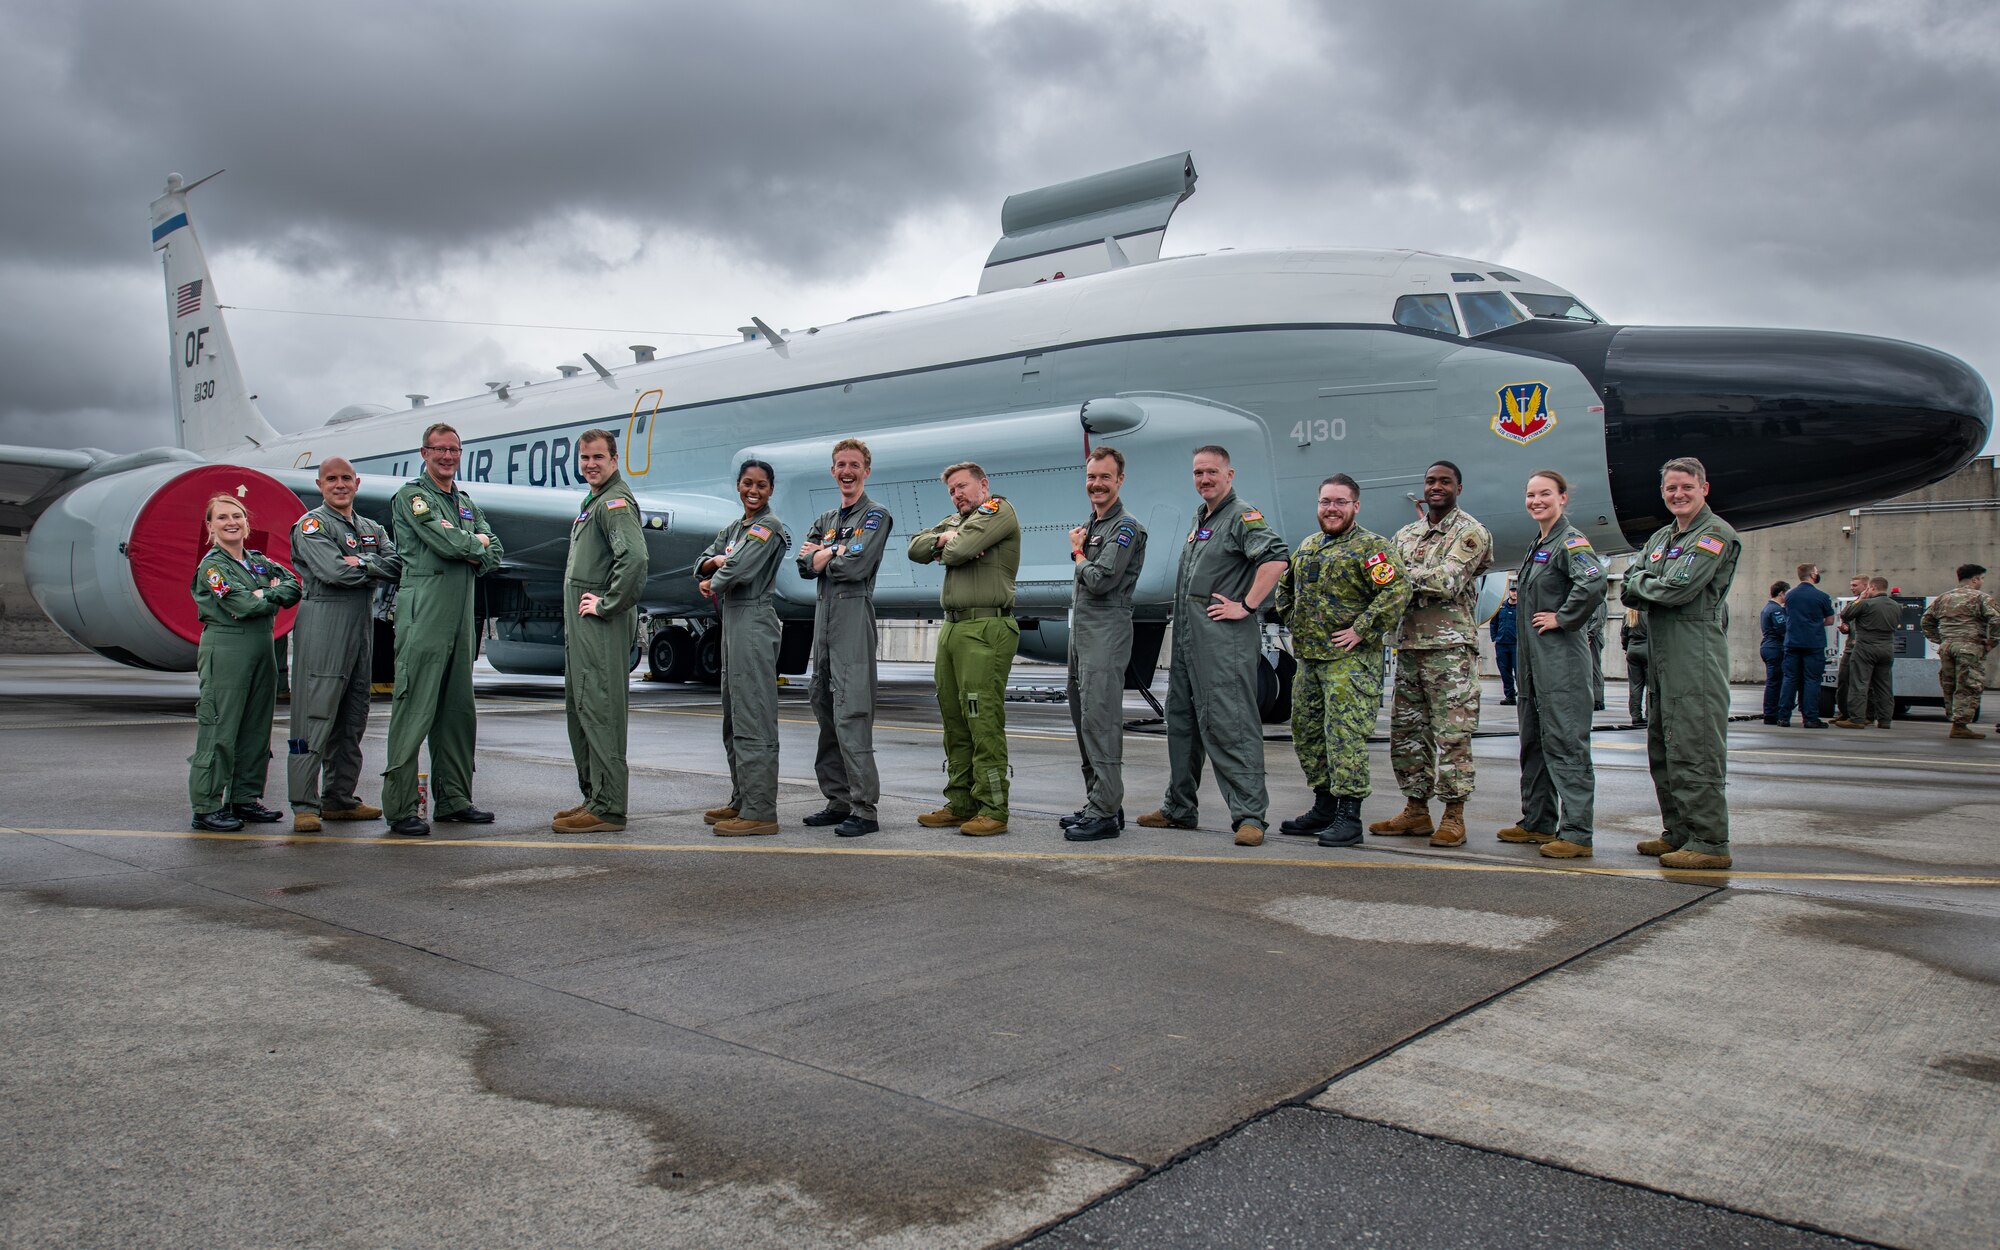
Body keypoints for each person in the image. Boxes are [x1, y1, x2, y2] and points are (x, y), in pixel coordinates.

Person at [1137, 445, 1290, 847]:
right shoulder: (1203, 518)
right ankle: (1179, 808)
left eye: (1211, 472)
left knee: (1231, 725)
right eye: (1198, 473)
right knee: (1182, 725)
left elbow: (1275, 558)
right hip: (1191, 642)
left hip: (1223, 645)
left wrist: (1248, 605)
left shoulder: (1241, 515)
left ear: (1230, 474)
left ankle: (1250, 816)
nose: (1204, 479)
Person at [382, 423, 504, 837]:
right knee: (415, 708)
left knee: (457, 712)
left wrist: (475, 545)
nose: (448, 456)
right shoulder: (412, 497)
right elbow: (446, 544)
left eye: (454, 450)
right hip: (425, 613)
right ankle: (400, 808)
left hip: (460, 616)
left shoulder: (464, 502)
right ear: (424, 452)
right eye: (440, 450)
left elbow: (496, 550)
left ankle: (453, 800)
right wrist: (475, 545)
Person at [1275, 474, 1410, 847]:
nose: (1331, 509)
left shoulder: (1371, 547)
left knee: (1343, 737)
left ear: (1355, 506)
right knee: (1308, 734)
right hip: (1310, 661)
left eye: (1339, 502)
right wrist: (1293, 620)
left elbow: (1398, 589)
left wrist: (1362, 629)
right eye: (1325, 502)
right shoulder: (1309, 546)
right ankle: (1323, 806)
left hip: (1348, 665)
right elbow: (1286, 589)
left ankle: (1349, 816)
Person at [1620, 456, 1741, 870]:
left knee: (1695, 746)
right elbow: (1631, 590)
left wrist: (1643, 583)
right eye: (1670, 488)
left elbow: (1678, 589)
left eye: (1686, 487)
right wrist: (1646, 584)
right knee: (1663, 747)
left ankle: (1709, 840)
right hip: (1662, 651)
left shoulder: (1714, 534)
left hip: (1695, 650)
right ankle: (1678, 831)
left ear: (1704, 488)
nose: (1678, 494)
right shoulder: (1660, 539)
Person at [1369, 461, 1493, 848]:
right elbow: (1379, 579)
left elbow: (1448, 580)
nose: (1436, 487)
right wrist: (1400, 576)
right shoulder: (1406, 534)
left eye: (1444, 482)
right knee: (1407, 734)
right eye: (1430, 481)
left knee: (1452, 735)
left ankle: (1454, 814)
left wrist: (1401, 575)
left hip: (1449, 652)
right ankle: (1416, 810)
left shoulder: (1470, 532)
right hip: (1408, 648)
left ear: (1459, 487)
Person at [1495, 471, 1607, 858]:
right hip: (1532, 665)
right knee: (1534, 744)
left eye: (1545, 494)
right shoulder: (1539, 544)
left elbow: (1593, 582)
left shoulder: (1570, 540)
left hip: (1561, 664)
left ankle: (1576, 833)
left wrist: (1564, 617)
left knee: (1565, 744)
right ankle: (1538, 821)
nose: (1536, 500)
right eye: (1530, 494)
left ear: (1562, 498)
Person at [286, 457, 400, 833]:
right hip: (324, 618)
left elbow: (397, 564)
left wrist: (361, 562)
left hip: (360, 622)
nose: (339, 484)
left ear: (357, 482)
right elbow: (333, 571)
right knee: (315, 712)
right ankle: (304, 802)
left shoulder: (370, 527)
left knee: (353, 714)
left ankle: (339, 797)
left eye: (345, 478)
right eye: (331, 479)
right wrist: (371, 566)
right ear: (319, 485)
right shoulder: (312, 524)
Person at [907, 462, 1021, 836]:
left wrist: (950, 544)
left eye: (963, 487)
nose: (957, 495)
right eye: (952, 490)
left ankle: (993, 806)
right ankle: (961, 801)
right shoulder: (956, 520)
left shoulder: (997, 510)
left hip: (985, 627)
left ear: (984, 485)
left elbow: (958, 553)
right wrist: (944, 540)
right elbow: (915, 548)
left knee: (980, 716)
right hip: (953, 627)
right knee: (954, 718)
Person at [796, 439, 894, 838]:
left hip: (853, 617)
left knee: (852, 714)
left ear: (866, 470)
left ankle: (864, 808)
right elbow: (804, 564)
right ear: (833, 471)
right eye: (840, 465)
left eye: (854, 464)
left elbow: (855, 565)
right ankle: (837, 800)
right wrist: (830, 550)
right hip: (824, 620)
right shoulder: (826, 518)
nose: (847, 471)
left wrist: (826, 553)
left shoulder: (876, 516)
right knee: (824, 709)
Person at [553, 429, 649, 834]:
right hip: (584, 629)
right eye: (584, 458)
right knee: (581, 710)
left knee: (600, 711)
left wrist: (607, 603)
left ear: (614, 459)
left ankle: (609, 807)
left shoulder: (614, 502)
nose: (590, 464)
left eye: (598, 457)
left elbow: (636, 558)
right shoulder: (593, 501)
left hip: (600, 627)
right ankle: (594, 797)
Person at [188, 494, 302, 831]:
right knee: (220, 726)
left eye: (236, 516)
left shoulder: (257, 561)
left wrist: (260, 594)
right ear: (210, 526)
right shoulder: (212, 567)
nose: (231, 522)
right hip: (227, 646)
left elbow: (294, 586)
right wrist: (268, 594)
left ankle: (244, 798)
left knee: (255, 727)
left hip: (262, 646)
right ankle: (206, 806)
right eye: (221, 517)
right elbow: (242, 604)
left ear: (246, 522)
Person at [698, 460, 791, 836]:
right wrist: (713, 567)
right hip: (733, 622)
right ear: (738, 485)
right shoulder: (735, 528)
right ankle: (741, 798)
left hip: (753, 620)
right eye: (748, 483)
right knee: (733, 716)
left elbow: (740, 570)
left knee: (753, 714)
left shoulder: (768, 527)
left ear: (771, 490)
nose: (754, 491)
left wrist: (714, 577)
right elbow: (703, 562)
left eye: (762, 485)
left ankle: (760, 809)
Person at [1060, 446, 1147, 842]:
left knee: (1100, 720)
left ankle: (1105, 813)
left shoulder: (1125, 527)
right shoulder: (1093, 524)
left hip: (1106, 632)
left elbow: (1099, 579)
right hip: (1083, 634)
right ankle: (1101, 799)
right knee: (1083, 719)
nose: (1096, 484)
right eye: (1092, 477)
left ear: (1120, 480)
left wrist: (1077, 552)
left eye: (1105, 477)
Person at [1920, 563, 1999, 738]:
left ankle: (1955, 721)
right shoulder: (1981, 598)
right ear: (1975, 579)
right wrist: (1991, 642)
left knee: (1950, 683)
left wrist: (1941, 639)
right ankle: (1960, 725)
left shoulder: (1943, 598)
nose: (1981, 582)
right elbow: (1996, 620)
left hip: (1947, 647)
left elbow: (1926, 621)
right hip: (1970, 647)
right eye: (1981, 579)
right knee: (1969, 684)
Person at [1833, 576, 1901, 731]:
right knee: (1884, 685)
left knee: (1859, 683)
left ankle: (1857, 719)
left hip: (1865, 647)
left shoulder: (1866, 604)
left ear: (1872, 588)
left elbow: (1845, 614)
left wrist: (1860, 598)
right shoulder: (1896, 605)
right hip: (1887, 648)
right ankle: (1885, 720)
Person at [1776, 563, 1835, 728]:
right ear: (1812, 575)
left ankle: (1783, 717)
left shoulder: (1789, 596)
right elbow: (1830, 620)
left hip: (1792, 642)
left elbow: (1787, 615)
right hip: (1813, 643)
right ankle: (1810, 718)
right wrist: (1815, 624)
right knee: (1812, 680)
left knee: (1789, 679)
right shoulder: (1822, 597)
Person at [1832, 574, 1869, 724]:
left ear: (1865, 586)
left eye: (1855, 585)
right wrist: (1845, 628)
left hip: (1863, 648)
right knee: (1843, 681)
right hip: (1850, 647)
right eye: (1851, 585)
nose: (1851, 588)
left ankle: (1864, 715)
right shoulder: (1854, 603)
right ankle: (1844, 712)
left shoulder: (1869, 603)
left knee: (1861, 683)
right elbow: (1845, 616)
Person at [1758, 581, 1789, 724]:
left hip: (1769, 647)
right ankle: (1771, 714)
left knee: (1774, 681)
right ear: (1782, 593)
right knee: (1775, 682)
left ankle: (1771, 712)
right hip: (1775, 647)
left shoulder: (1767, 608)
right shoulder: (1775, 610)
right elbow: (1782, 629)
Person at [1621, 605, 1649, 726]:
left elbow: (1623, 635)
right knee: (1650, 685)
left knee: (1635, 685)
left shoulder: (1628, 613)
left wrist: (1626, 648)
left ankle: (1636, 716)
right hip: (1647, 648)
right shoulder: (1648, 612)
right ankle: (1650, 715)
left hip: (1632, 649)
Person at [1489, 586, 1518, 705]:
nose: (1514, 593)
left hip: (1516, 644)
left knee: (1519, 672)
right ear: (1509, 592)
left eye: (1516, 591)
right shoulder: (1500, 607)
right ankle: (1510, 696)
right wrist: (1494, 639)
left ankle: (1523, 696)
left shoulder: (1522, 608)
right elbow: (1493, 623)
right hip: (1501, 644)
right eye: (1513, 591)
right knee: (1505, 672)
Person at [1587, 598, 1610, 711]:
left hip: (1593, 638)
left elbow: (1598, 621)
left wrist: (1589, 635)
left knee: (1594, 668)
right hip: (1591, 636)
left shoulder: (1599, 600)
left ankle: (1597, 699)